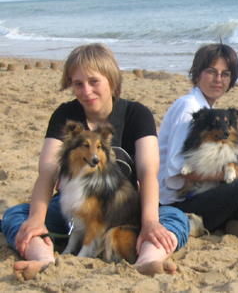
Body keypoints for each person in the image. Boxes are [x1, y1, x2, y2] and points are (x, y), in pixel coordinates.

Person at [1, 43, 190, 281]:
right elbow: (47, 174)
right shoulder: (64, 116)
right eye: (77, 83)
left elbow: (147, 173)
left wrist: (150, 222)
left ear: (111, 79)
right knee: (15, 215)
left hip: (123, 211)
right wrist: (37, 220)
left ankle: (146, 261)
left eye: (94, 81)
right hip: (73, 211)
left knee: (176, 218)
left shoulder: (136, 115)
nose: (86, 91)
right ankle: (44, 258)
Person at [158, 43, 238, 238]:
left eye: (225, 74)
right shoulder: (189, 108)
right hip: (178, 201)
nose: (218, 79)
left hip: (200, 191)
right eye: (212, 72)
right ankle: (234, 223)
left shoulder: (207, 108)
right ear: (197, 73)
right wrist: (233, 173)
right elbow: (176, 168)